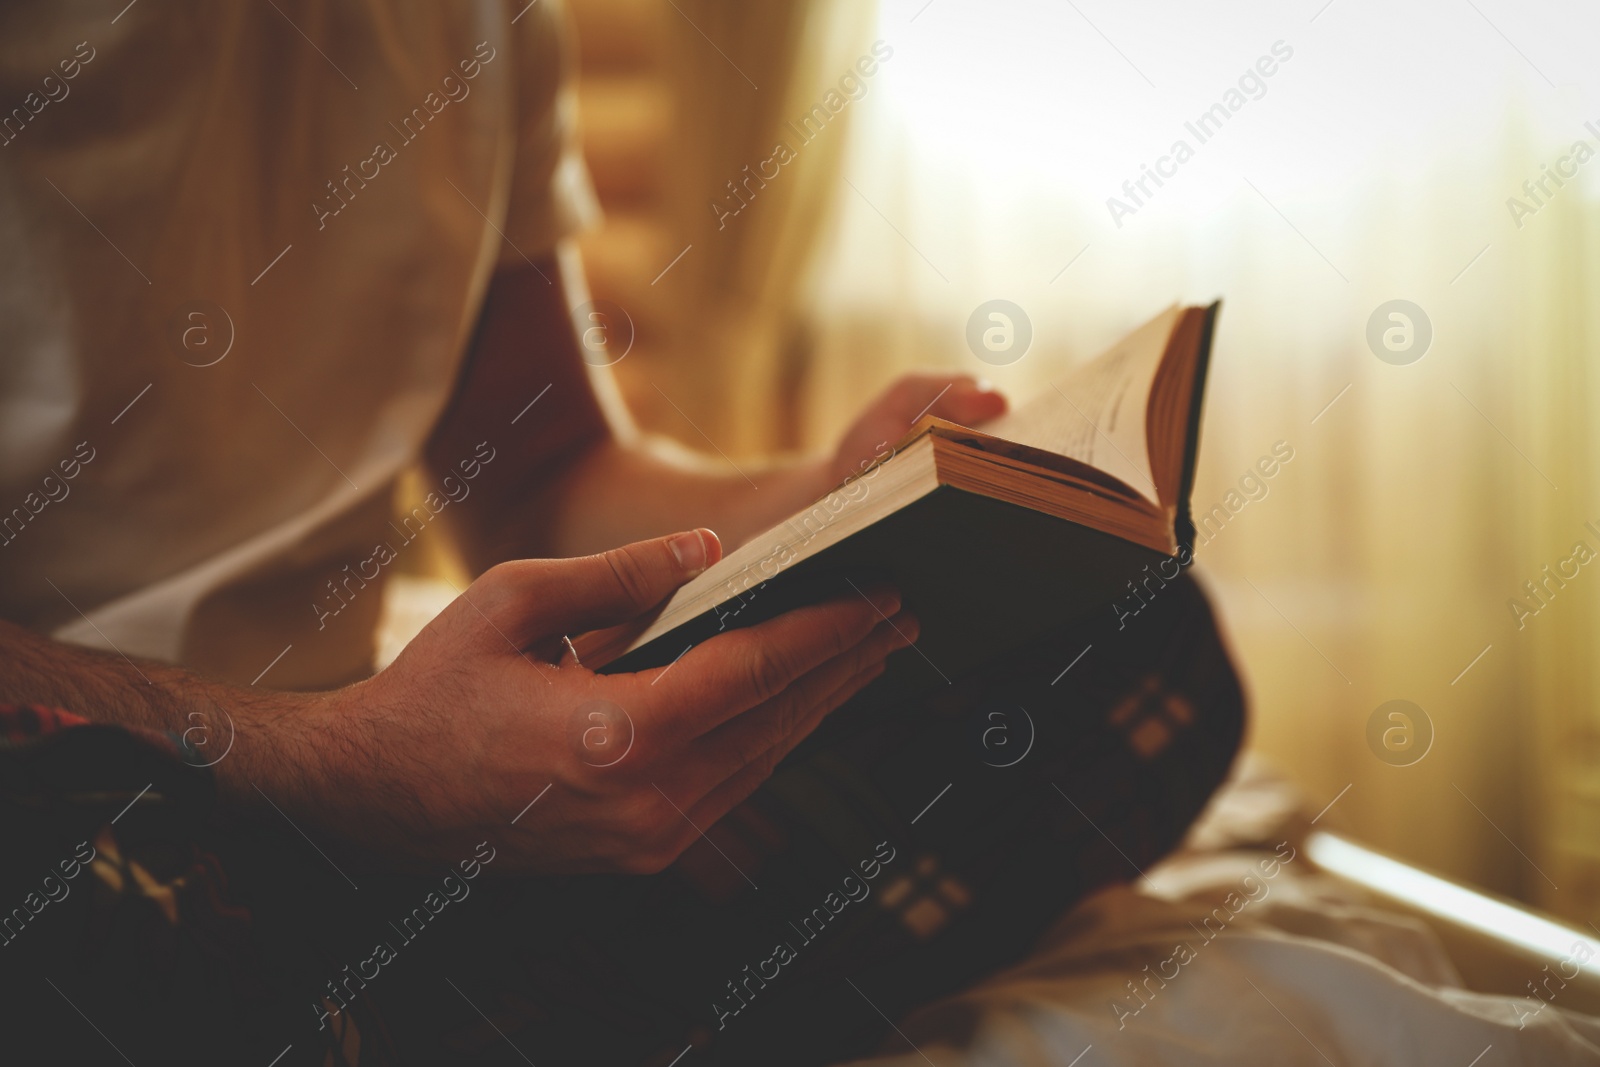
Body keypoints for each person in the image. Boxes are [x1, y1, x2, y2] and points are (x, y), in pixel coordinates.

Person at [0, 3, 1243, 1064]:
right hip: (77, 779)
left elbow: (543, 468)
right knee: (72, 913)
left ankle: (414, 986)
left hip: (339, 758)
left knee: (1121, 637)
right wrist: (344, 765)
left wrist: (825, 487)